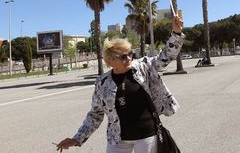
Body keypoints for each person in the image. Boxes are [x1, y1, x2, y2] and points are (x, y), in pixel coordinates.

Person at [56, 16, 185, 153]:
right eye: (123, 56)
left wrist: (176, 33)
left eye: (130, 54)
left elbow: (165, 56)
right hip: (118, 139)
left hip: (147, 135)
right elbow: (96, 114)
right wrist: (77, 139)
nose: (129, 58)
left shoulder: (144, 67)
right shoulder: (102, 83)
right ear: (110, 61)